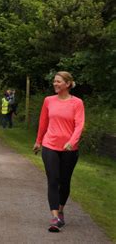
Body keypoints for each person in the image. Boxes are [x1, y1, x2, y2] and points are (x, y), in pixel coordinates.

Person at [33, 71, 84, 233]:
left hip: (69, 148)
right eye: (54, 81)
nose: (55, 84)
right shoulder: (48, 101)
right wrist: (39, 141)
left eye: (59, 82)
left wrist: (72, 141)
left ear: (68, 84)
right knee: (53, 180)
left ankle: (61, 210)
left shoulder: (77, 103)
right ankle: (55, 217)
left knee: (65, 181)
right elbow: (43, 122)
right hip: (50, 145)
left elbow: (79, 125)